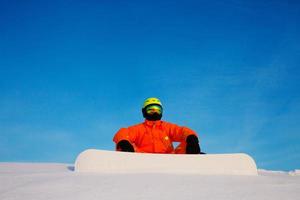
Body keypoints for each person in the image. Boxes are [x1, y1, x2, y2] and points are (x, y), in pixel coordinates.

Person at [113, 97, 203, 154]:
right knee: (122, 146)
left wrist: (191, 138)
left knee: (188, 142)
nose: (155, 112)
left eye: (158, 110)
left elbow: (182, 131)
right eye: (151, 110)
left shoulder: (167, 127)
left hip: (171, 160)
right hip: (141, 159)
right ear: (144, 111)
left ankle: (193, 158)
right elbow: (124, 132)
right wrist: (123, 141)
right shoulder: (139, 129)